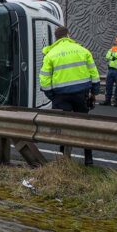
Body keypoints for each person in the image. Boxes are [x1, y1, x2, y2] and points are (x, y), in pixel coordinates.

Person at [40, 26, 100, 166]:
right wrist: (94, 91)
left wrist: (51, 95)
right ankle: (88, 158)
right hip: (81, 94)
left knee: (63, 127)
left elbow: (44, 79)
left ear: (56, 37)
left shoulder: (51, 54)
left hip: (61, 95)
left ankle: (65, 159)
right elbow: (94, 73)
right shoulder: (82, 50)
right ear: (68, 35)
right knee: (84, 125)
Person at [100, 35, 117, 106]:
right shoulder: (113, 48)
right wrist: (114, 56)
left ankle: (116, 101)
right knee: (108, 86)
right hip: (111, 69)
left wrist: (113, 55)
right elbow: (107, 56)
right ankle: (107, 101)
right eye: (116, 40)